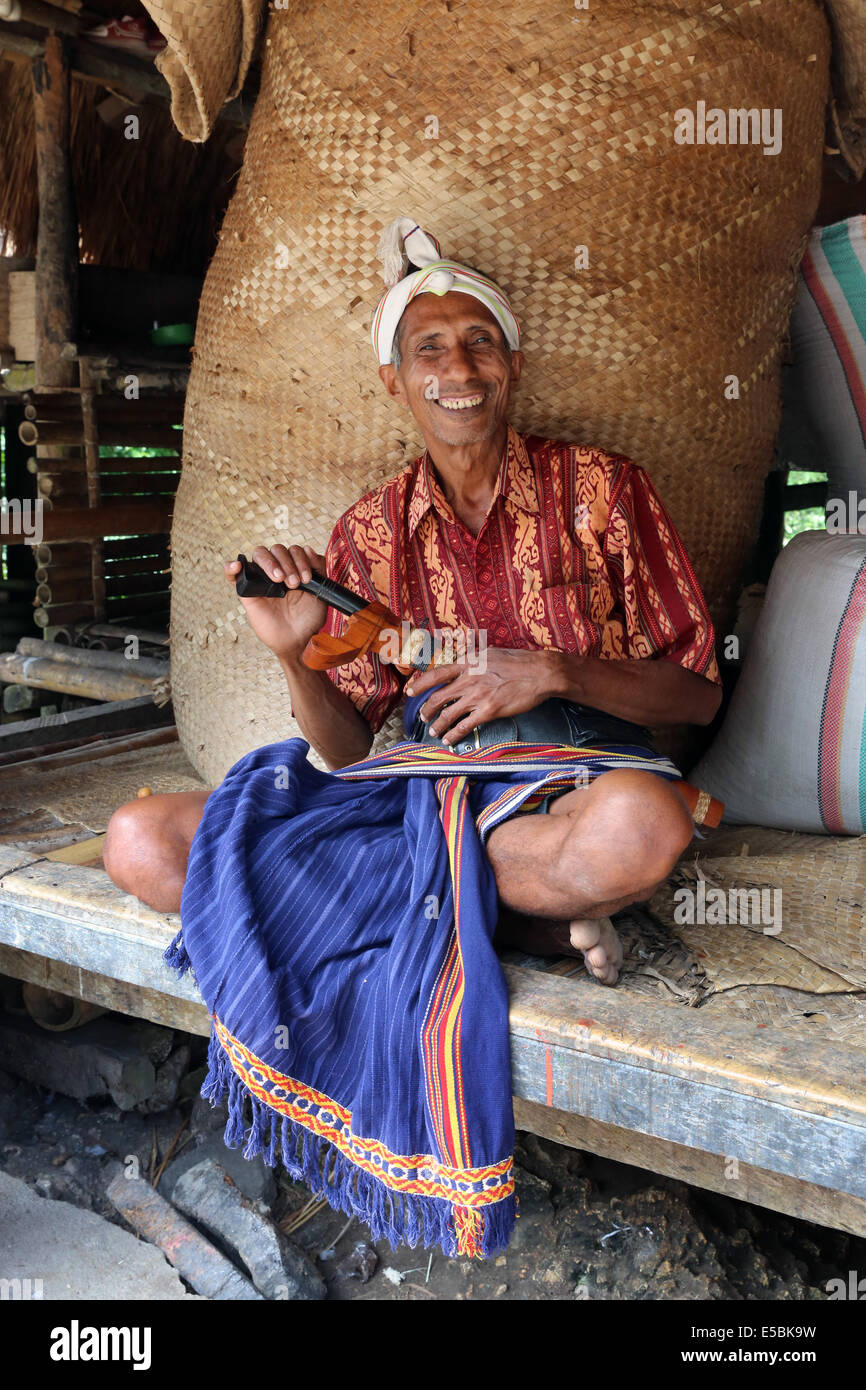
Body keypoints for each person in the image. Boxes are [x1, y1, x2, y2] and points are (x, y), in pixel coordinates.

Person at [104, 219, 721, 988]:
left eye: (480, 341)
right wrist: (295, 656)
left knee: (643, 826)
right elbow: (346, 752)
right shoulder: (368, 532)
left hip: (575, 788)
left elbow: (696, 697)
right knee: (141, 839)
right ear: (394, 380)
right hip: (422, 794)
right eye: (428, 348)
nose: (457, 367)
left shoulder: (604, 490)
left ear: (514, 364)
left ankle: (419, 903)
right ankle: (522, 920)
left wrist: (552, 671)